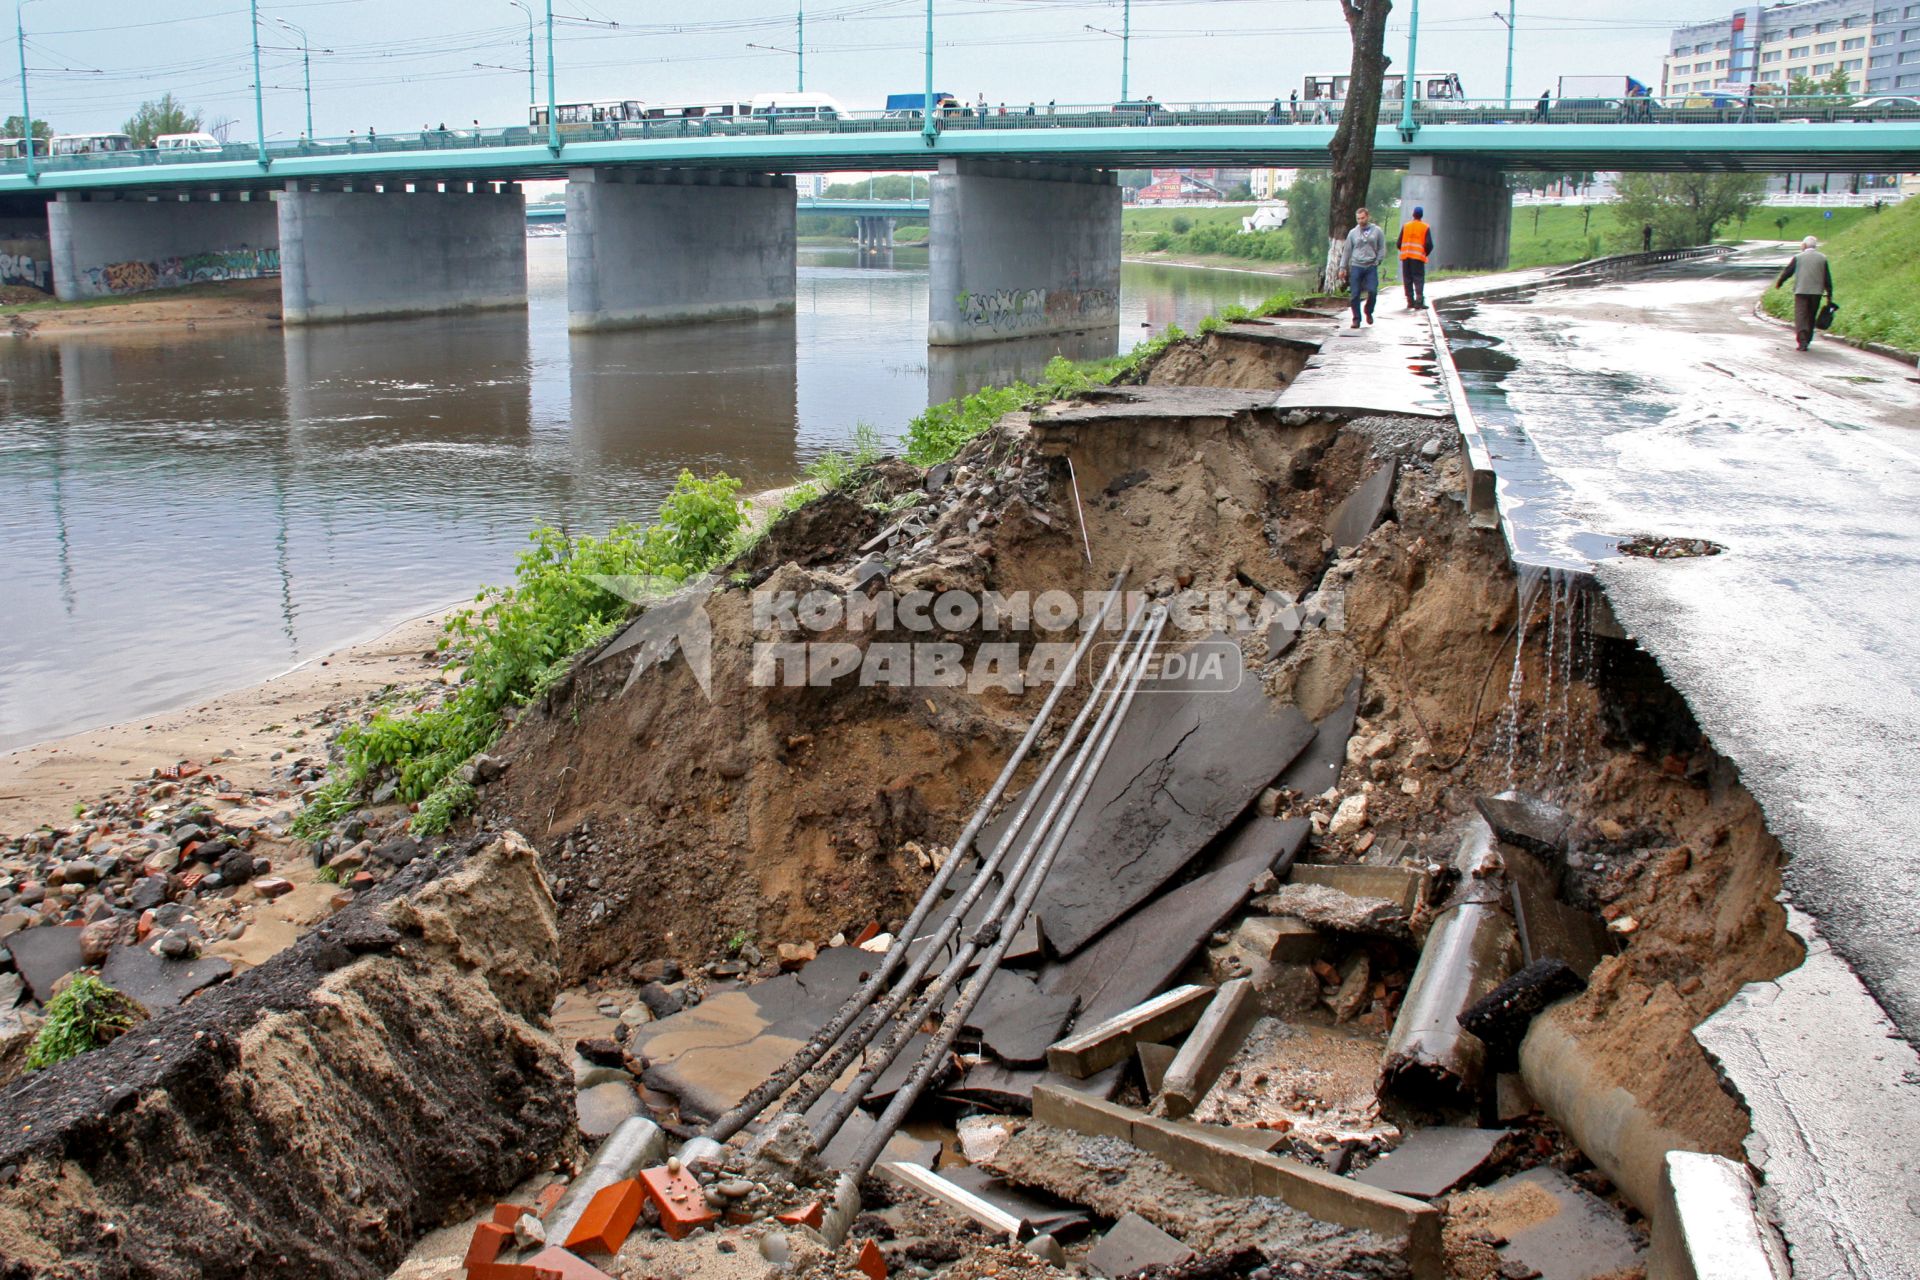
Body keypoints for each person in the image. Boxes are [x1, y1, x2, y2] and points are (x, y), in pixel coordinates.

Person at [1774, 235, 1835, 351]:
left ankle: (1802, 341)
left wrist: (1780, 282)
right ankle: (1807, 339)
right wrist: (1829, 294)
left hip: (1801, 291)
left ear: (1804, 245)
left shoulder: (1798, 257)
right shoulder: (1822, 258)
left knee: (1801, 316)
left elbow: (1788, 271)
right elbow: (1827, 277)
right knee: (1811, 316)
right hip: (1816, 293)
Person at [1339, 207, 1386, 329]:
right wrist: (1342, 267)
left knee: (1372, 291)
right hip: (1356, 266)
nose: (1360, 221)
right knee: (1355, 294)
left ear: (1367, 217)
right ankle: (1356, 319)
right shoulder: (1353, 233)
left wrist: (1378, 260)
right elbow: (1347, 251)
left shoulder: (1377, 231)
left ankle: (1368, 311)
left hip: (1371, 266)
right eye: (1358, 219)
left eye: (1362, 218)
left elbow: (1382, 247)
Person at [1398, 204, 1433, 309]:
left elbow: (1399, 243)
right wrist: (1424, 253)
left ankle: (1410, 301)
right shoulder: (1425, 227)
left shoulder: (1406, 226)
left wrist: (1405, 250)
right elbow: (1429, 245)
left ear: (1413, 214)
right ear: (1421, 215)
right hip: (1418, 258)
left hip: (1406, 257)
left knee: (1407, 279)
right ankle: (1419, 301)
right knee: (1418, 279)